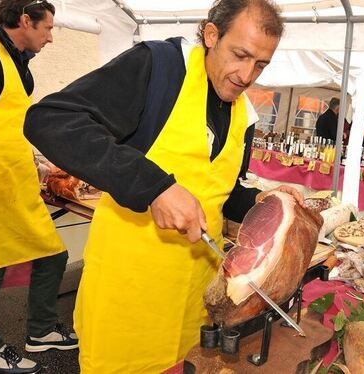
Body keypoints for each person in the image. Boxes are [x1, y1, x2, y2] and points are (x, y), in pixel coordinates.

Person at [24, 0, 303, 372]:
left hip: (196, 298)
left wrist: (261, 200)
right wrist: (154, 187)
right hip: (131, 292)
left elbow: (222, 190)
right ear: (211, 34)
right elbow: (51, 120)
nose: (247, 74)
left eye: (260, 64)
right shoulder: (158, 68)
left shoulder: (244, 112)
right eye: (240, 55)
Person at [0, 1, 79, 373]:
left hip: (14, 179)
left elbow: (8, 121)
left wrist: (37, 161)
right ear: (25, 20)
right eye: (47, 28)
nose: (51, 37)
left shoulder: (15, 58)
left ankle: (39, 330)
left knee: (52, 255)